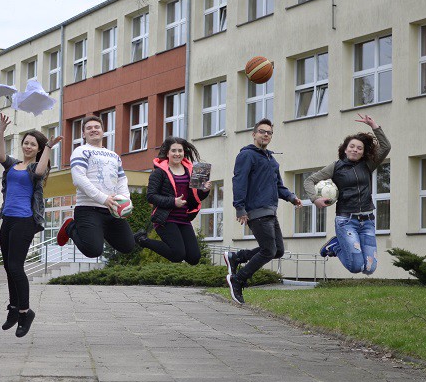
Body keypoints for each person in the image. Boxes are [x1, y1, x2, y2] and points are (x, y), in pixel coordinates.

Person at [0, 113, 62, 337]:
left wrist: (49, 148)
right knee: (7, 267)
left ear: (38, 148)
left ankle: (25, 311)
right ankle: (13, 309)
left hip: (25, 220)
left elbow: (41, 171)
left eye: (33, 144)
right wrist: (1, 131)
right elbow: (1, 155)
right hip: (8, 219)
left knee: (16, 267)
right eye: (26, 142)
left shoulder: (35, 169)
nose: (28, 146)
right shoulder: (13, 165)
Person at [225, 118, 302, 304]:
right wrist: (239, 208)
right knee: (268, 250)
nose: (265, 134)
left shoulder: (271, 160)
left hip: (270, 211)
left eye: (269, 132)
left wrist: (291, 197)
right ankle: (238, 279)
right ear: (254, 134)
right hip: (256, 210)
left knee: (278, 251)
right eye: (262, 131)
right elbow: (239, 181)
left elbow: (278, 185)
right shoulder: (247, 155)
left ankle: (236, 257)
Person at [303, 114, 391, 275]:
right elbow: (309, 180)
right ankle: (336, 247)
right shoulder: (336, 167)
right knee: (356, 267)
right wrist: (315, 199)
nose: (355, 150)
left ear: (363, 152)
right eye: (352, 146)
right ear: (345, 148)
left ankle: (337, 245)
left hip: (368, 220)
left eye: (359, 148)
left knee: (370, 268)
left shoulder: (367, 165)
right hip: (346, 221)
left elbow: (386, 147)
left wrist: (374, 125)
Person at [56, 115, 136, 258]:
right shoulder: (80, 151)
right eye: (89, 128)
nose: (93, 130)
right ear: (83, 134)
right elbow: (79, 179)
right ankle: (70, 226)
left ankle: (96, 232)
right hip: (88, 208)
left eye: (96, 127)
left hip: (112, 209)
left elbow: (122, 180)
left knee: (127, 246)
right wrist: (103, 199)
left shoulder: (114, 156)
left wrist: (125, 200)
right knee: (93, 251)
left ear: (103, 131)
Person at [134, 137, 211, 265]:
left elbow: (195, 198)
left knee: (194, 258)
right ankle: (142, 240)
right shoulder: (159, 173)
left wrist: (204, 191)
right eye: (173, 151)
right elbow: (151, 196)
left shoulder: (192, 172)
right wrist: (173, 202)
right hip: (165, 218)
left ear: (184, 152)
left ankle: (143, 240)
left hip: (184, 218)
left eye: (180, 151)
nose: (177, 154)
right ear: (167, 153)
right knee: (177, 255)